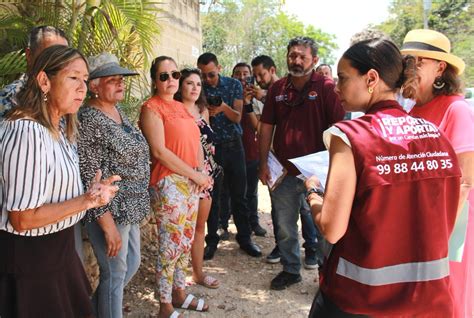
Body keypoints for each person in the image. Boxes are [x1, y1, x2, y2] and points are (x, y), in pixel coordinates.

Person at [306, 38, 461, 317]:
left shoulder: (351, 136)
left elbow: (331, 228)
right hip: (427, 301)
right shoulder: (436, 136)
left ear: (371, 78)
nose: (337, 88)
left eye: (342, 78)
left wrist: (313, 193)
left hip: (357, 299)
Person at [0, 45, 120, 317]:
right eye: (73, 78)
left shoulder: (59, 129)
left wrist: (91, 195)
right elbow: (23, 218)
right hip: (33, 262)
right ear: (44, 81)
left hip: (59, 252)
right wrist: (86, 201)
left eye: (85, 80)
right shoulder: (26, 131)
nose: (83, 88)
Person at [259, 37, 345, 290]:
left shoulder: (328, 88)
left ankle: (326, 276)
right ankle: (290, 269)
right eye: (292, 55)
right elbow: (265, 128)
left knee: (322, 227)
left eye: (302, 57)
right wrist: (262, 163)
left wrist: (335, 172)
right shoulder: (277, 89)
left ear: (314, 60)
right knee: (284, 225)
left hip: (317, 175)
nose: (295, 61)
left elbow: (339, 131)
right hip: (284, 173)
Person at [401, 29, 474, 318]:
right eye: (406, 62)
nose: (409, 69)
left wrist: (438, 238)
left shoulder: (457, 109)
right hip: (420, 223)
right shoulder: (410, 111)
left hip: (450, 228)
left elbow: (465, 181)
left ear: (440, 68)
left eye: (417, 62)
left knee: (448, 300)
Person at [77, 53, 150, 318]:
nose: (121, 84)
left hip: (131, 208)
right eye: (112, 80)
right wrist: (107, 226)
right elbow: (89, 176)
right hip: (112, 210)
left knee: (131, 265)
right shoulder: (89, 119)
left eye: (121, 80)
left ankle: (91, 312)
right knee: (115, 273)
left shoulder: (117, 112)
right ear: (94, 86)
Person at [140, 56, 212, 318]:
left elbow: (196, 145)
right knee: (169, 244)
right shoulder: (151, 108)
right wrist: (194, 174)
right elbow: (159, 152)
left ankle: (179, 292)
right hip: (168, 182)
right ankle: (164, 304)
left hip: (192, 182)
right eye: (164, 76)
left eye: (174, 74)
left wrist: (201, 175)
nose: (171, 80)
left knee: (184, 241)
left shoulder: (182, 108)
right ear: (155, 80)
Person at [251, 55, 322, 265]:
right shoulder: (266, 95)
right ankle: (288, 261)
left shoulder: (299, 91)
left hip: (306, 164)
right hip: (278, 164)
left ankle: (312, 250)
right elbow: (261, 127)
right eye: (255, 76)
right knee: (282, 215)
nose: (258, 79)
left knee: (308, 209)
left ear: (272, 70)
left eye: (261, 74)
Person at [197, 52, 261, 260]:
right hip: (211, 149)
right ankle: (212, 241)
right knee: (212, 197)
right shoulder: (199, 88)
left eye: (211, 75)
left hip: (234, 147)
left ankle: (245, 239)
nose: (207, 80)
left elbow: (237, 117)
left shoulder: (233, 85)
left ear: (219, 68)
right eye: (203, 75)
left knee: (239, 195)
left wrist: (222, 107)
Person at [174, 67, 221, 289]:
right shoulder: (172, 110)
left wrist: (207, 172)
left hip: (205, 176)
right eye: (189, 83)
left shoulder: (203, 111)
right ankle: (175, 279)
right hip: (181, 175)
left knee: (199, 226)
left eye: (198, 84)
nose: (194, 88)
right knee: (181, 228)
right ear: (180, 86)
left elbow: (209, 143)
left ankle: (198, 273)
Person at [224, 62, 267, 237]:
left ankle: (253, 222)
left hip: (251, 150)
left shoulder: (258, 98)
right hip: (230, 149)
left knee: (251, 190)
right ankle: (223, 224)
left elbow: (260, 125)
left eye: (245, 74)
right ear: (232, 76)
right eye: (238, 74)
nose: (242, 78)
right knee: (226, 190)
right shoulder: (227, 96)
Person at [0, 25, 68, 119]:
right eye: (49, 55)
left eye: (63, 56)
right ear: (29, 55)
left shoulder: (68, 97)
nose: (58, 61)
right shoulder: (9, 98)